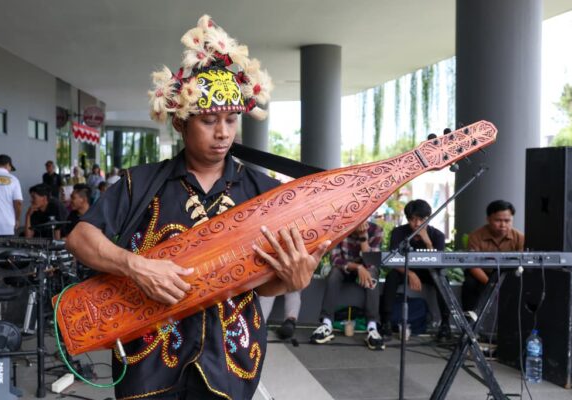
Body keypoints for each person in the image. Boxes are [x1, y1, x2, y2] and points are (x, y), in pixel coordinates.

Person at [65, 15, 329, 400]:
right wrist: (134, 265)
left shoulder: (264, 192)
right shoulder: (141, 183)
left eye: (231, 120)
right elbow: (80, 237)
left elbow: (263, 281)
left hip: (229, 359)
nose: (223, 133)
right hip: (148, 360)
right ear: (180, 123)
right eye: (208, 121)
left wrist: (292, 280)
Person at [380, 199, 452, 341]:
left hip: (429, 271)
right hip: (405, 270)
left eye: (421, 219)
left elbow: (438, 264)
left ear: (428, 219)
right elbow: (392, 260)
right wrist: (410, 273)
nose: (417, 224)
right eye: (413, 219)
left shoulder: (437, 235)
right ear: (408, 219)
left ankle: (445, 324)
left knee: (443, 279)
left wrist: (428, 242)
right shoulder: (399, 232)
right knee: (391, 277)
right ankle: (386, 322)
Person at [311, 220, 385, 350]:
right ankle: (326, 323)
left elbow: (372, 262)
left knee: (372, 274)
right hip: (346, 268)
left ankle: (372, 327)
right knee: (334, 273)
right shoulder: (340, 228)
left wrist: (363, 237)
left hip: (366, 270)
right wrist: (357, 267)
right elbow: (335, 259)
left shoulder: (376, 230)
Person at [463, 200, 524, 312]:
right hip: (483, 274)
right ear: (488, 219)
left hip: (507, 274)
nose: (503, 225)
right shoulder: (476, 236)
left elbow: (523, 263)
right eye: (498, 220)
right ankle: (470, 317)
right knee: (469, 283)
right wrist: (492, 284)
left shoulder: (520, 237)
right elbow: (473, 266)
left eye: (507, 221)